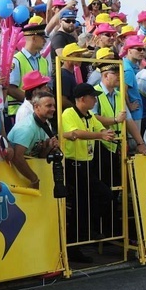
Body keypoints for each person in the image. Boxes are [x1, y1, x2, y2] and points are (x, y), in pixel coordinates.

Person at [62, 83, 116, 259]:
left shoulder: (89, 115)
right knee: (88, 200)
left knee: (89, 201)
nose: (95, 99)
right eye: (92, 97)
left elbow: (99, 128)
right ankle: (80, 237)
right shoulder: (68, 114)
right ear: (82, 99)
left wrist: (106, 132)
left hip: (87, 164)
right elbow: (73, 133)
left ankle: (85, 231)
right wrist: (100, 135)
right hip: (73, 164)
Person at [8, 91, 59, 188]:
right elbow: (17, 157)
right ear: (36, 107)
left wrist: (49, 147)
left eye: (54, 105)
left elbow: (40, 154)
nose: (53, 109)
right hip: (15, 177)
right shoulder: (27, 128)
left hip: (26, 173)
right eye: (49, 106)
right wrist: (34, 179)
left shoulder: (44, 124)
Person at [7, 22, 48, 127]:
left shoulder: (44, 61)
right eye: (42, 37)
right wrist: (33, 102)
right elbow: (11, 89)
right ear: (34, 38)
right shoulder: (16, 60)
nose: (45, 40)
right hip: (19, 112)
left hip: (40, 113)